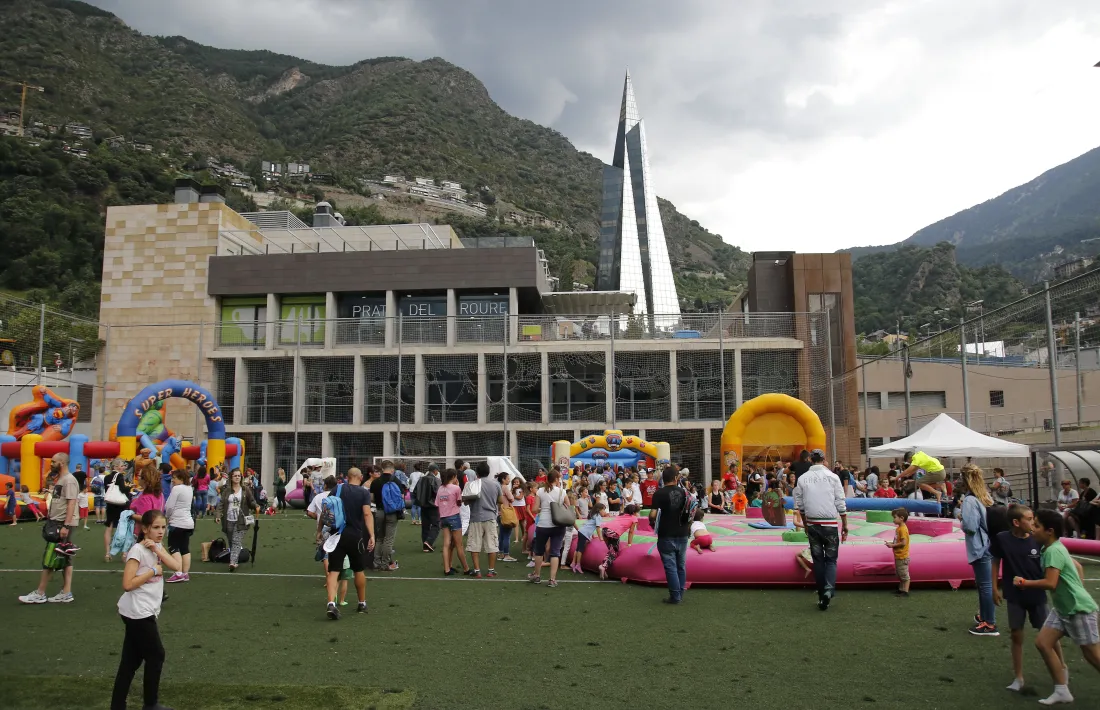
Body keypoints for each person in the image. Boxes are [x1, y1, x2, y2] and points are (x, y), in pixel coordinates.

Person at [1014, 508, 1100, 705]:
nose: (1032, 529)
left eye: (1036, 525)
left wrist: (1025, 583)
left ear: (1049, 531)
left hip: (1078, 609)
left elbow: (1050, 583)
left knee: (1092, 655)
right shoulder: (1053, 547)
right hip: (1063, 608)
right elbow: (1077, 566)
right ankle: (1062, 690)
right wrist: (1077, 587)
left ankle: (1062, 690)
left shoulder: (1053, 551)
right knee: (1043, 643)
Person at [992, 505, 1067, 693]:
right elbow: (995, 562)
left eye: (1034, 519)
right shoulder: (1002, 539)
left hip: (1037, 594)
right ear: (1016, 522)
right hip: (1014, 595)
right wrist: (994, 587)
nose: (1033, 523)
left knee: (1049, 635)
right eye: (1029, 519)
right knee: (1016, 634)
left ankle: (1062, 668)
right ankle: (1018, 677)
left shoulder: (1039, 540)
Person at [110, 509, 179, 710]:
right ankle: (150, 704)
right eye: (156, 528)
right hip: (137, 612)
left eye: (163, 527)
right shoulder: (137, 551)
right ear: (145, 529)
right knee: (156, 655)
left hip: (143, 610)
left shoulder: (156, 547)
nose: (160, 532)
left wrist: (158, 551)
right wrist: (152, 571)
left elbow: (177, 566)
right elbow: (127, 584)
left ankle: (117, 705)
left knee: (130, 662)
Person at [19, 453, 81, 604]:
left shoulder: (69, 480)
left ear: (61, 463)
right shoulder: (61, 479)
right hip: (58, 522)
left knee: (51, 557)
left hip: (62, 524)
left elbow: (72, 503)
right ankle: (66, 592)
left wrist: (65, 526)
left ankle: (40, 593)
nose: (51, 464)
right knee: (65, 557)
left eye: (53, 462)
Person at [793, 449, 848, 611]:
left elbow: (800, 506)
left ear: (810, 459)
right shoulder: (833, 477)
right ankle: (829, 590)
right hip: (830, 524)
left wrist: (805, 524)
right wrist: (844, 523)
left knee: (818, 560)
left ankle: (821, 591)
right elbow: (840, 503)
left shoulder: (802, 479)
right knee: (831, 559)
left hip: (812, 524)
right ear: (824, 459)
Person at [325, 467, 375, 620]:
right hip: (355, 535)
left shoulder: (337, 488)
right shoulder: (363, 493)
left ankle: (331, 604)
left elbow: (326, 511)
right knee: (358, 570)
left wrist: (320, 530)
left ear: (347, 477)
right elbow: (367, 513)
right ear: (360, 477)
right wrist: (372, 535)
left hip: (336, 534)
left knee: (334, 571)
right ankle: (361, 602)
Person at [960, 463, 998, 636]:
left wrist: (962, 520)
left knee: (984, 585)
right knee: (984, 584)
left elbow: (970, 526)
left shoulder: (969, 500)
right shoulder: (983, 496)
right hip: (987, 543)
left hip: (979, 546)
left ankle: (989, 622)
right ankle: (985, 616)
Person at [648, 466, 691, 604]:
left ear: (663, 479)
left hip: (666, 533)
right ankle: (680, 593)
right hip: (683, 533)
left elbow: (653, 514)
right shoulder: (685, 492)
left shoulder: (659, 494)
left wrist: (652, 522)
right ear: (675, 478)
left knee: (670, 567)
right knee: (681, 566)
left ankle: (675, 596)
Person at [528, 469, 569, 588]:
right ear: (556, 479)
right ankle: (552, 579)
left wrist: (544, 509)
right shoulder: (562, 491)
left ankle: (537, 575)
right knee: (555, 552)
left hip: (543, 524)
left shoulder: (540, 491)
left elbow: (534, 509)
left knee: (539, 551)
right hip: (558, 524)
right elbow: (568, 506)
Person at [215, 469, 258, 572]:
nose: (237, 477)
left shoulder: (245, 489)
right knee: (231, 541)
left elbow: (251, 501)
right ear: (231, 477)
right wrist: (217, 515)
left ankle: (233, 562)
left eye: (239, 476)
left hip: (241, 521)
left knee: (236, 541)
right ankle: (235, 557)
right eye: (235, 476)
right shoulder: (227, 491)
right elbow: (221, 504)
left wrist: (256, 506)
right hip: (228, 519)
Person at [466, 461, 503, 578]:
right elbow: (501, 500)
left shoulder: (472, 484)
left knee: (474, 544)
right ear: (488, 472)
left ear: (477, 473)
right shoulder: (496, 484)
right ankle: (491, 570)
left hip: (476, 517)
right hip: (491, 517)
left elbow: (466, 501)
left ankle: (477, 570)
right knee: (492, 544)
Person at [435, 469, 471, 576]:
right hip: (454, 517)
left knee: (446, 544)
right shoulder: (456, 488)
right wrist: (458, 486)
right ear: (454, 477)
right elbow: (459, 503)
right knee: (459, 544)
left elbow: (437, 503)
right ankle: (466, 568)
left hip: (443, 517)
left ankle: (447, 568)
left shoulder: (440, 488)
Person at [369, 460, 402, 572]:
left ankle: (376, 562)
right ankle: (385, 563)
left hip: (379, 511)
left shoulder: (376, 482)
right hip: (392, 512)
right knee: (389, 539)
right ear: (392, 469)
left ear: (382, 469)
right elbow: (401, 496)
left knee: (379, 538)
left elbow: (371, 498)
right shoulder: (396, 481)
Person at [163, 468, 195, 584]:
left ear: (181, 478)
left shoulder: (177, 488)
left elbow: (170, 506)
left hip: (177, 522)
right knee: (184, 548)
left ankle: (178, 572)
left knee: (173, 546)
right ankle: (185, 573)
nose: (172, 480)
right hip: (188, 523)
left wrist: (167, 516)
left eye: (174, 478)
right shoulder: (189, 488)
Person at [103, 459, 132, 562]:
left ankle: (107, 552)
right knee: (124, 528)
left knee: (109, 527)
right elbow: (123, 490)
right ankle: (124, 553)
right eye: (122, 465)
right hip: (120, 505)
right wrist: (129, 487)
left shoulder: (106, 477)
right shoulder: (119, 476)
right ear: (116, 467)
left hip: (110, 504)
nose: (123, 467)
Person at [413, 463, 441, 553]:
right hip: (433, 506)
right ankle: (429, 541)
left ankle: (425, 546)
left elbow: (415, 492)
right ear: (435, 471)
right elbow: (438, 493)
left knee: (425, 526)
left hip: (423, 506)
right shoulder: (436, 480)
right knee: (436, 525)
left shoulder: (421, 479)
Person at [571, 502, 605, 573]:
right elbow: (598, 528)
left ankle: (573, 563)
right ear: (599, 510)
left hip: (581, 531)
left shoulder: (593, 514)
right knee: (580, 550)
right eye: (603, 510)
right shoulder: (598, 516)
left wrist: (592, 536)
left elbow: (590, 525)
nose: (604, 512)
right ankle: (578, 565)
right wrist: (601, 538)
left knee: (577, 549)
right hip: (584, 533)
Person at [884, 507, 910, 597]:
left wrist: (892, 545)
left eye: (895, 517)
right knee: (900, 573)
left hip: (902, 556)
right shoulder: (899, 529)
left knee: (904, 575)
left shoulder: (903, 529)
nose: (893, 520)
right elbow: (898, 541)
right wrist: (891, 543)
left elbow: (903, 543)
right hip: (898, 555)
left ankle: (905, 591)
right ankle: (901, 589)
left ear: (901, 518)